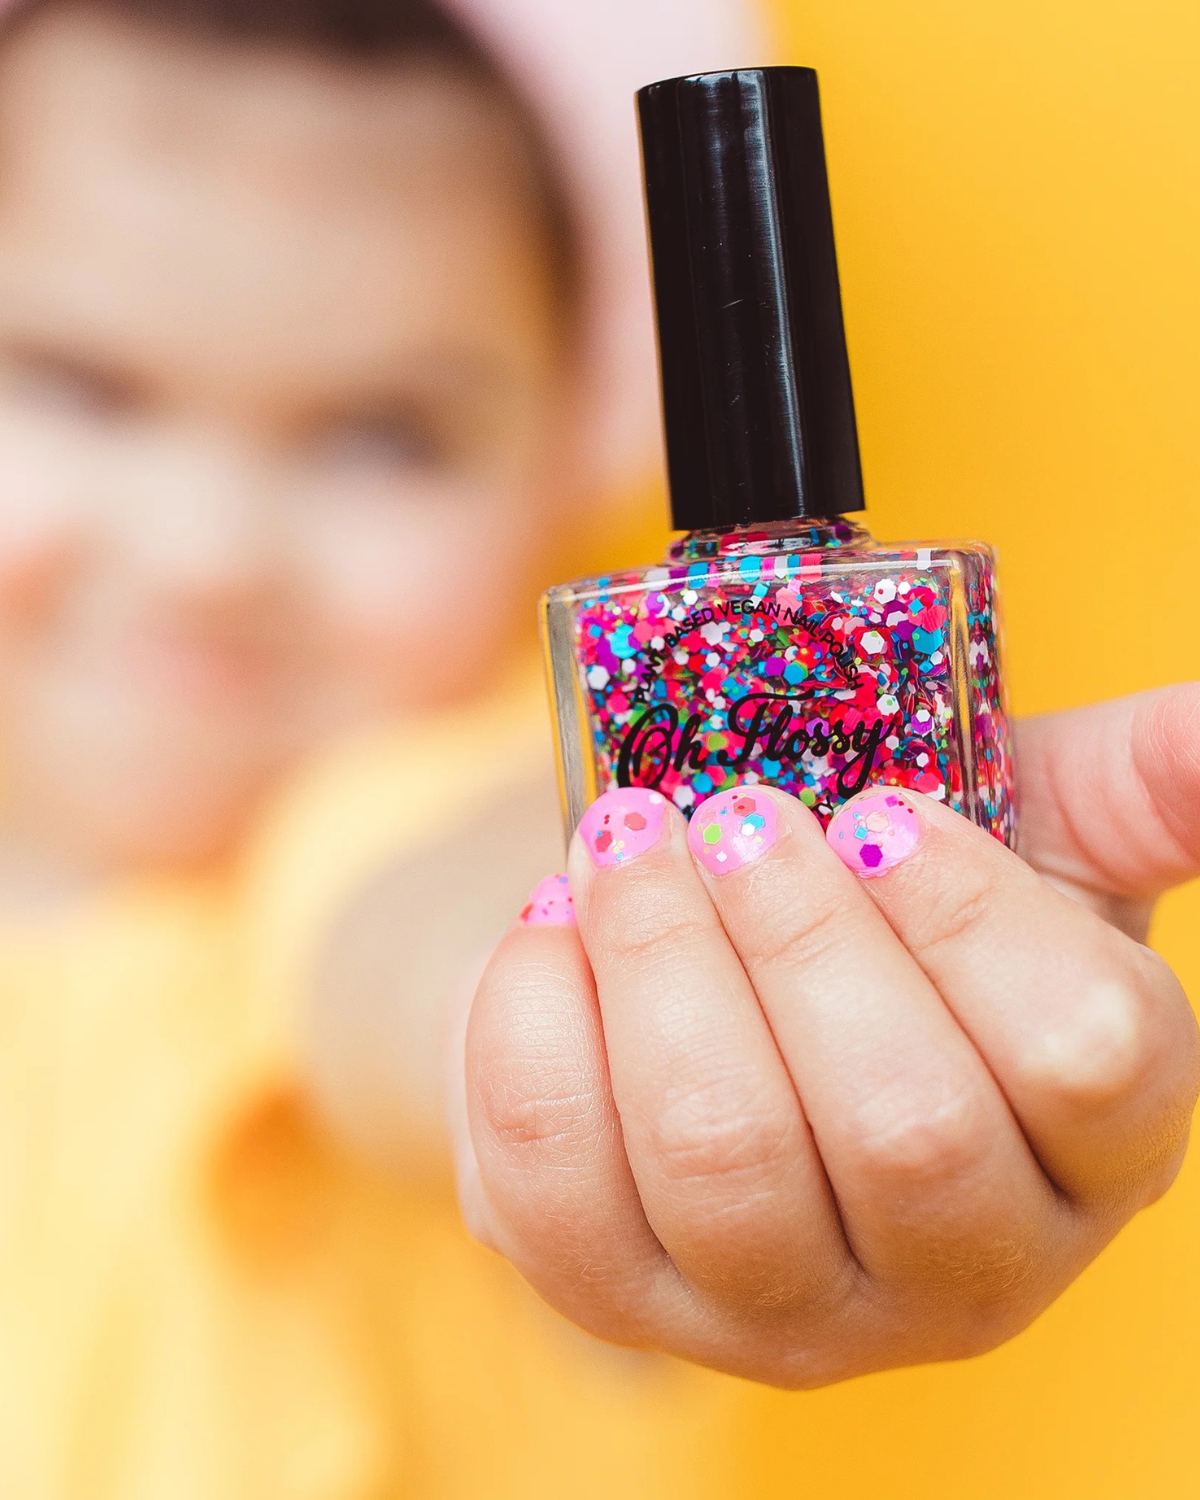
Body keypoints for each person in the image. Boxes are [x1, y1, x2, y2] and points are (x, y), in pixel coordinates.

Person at [0, 0, 773, 1492]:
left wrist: (626, 1024)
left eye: (384, 435)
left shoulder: (434, 816)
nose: (208, 555)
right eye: (79, 384)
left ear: (568, 461)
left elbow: (456, 959)